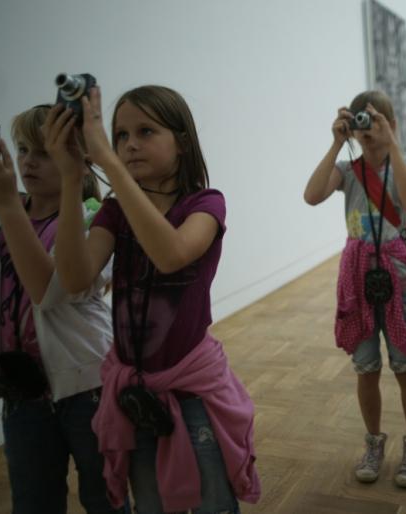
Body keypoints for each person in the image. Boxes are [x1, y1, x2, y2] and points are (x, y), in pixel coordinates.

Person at [47, 85, 260, 513]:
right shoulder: (114, 212)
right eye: (121, 135)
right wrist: (70, 179)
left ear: (182, 142)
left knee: (213, 502)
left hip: (193, 391)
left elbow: (171, 254)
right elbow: (74, 278)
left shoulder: (205, 204)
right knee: (150, 503)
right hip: (135, 392)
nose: (129, 144)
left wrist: (109, 164)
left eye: (145, 131)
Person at [0, 105, 123, 513]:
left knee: (104, 497)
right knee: (34, 501)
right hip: (23, 389)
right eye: (22, 150)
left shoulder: (94, 216)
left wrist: (6, 206)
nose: (28, 162)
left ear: (78, 161)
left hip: (88, 386)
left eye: (44, 153)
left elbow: (49, 292)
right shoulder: (2, 213)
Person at [303, 90, 406, 488]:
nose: (367, 129)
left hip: (398, 273)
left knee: (405, 366)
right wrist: (336, 143)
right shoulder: (347, 169)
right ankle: (374, 443)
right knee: (366, 368)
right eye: (360, 121)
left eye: (373, 121)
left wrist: (391, 143)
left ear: (391, 124)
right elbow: (312, 196)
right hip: (358, 278)